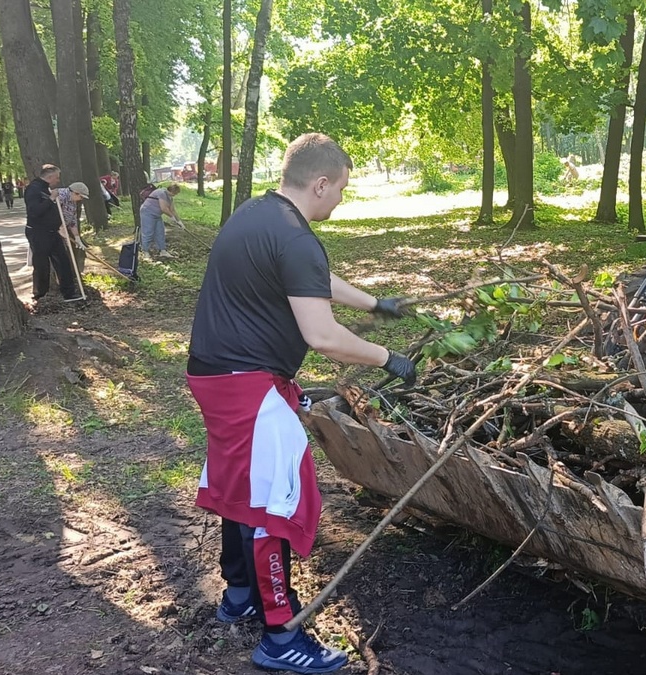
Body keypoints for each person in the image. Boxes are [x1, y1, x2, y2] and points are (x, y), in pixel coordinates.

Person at [185, 132, 416, 674]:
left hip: (214, 375)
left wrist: (374, 302)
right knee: (272, 503)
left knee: (239, 486)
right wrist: (388, 358)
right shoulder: (297, 238)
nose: (340, 199)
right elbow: (323, 336)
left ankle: (238, 594)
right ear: (320, 183)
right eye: (340, 189)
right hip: (249, 386)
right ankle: (280, 635)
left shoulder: (260, 215)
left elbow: (310, 279)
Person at [24, 164, 81, 303]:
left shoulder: (46, 188)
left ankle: (68, 292)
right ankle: (40, 295)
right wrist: (50, 199)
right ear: (50, 177)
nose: (58, 180)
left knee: (63, 261)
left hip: (52, 232)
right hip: (38, 233)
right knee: (42, 265)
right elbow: (35, 211)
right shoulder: (33, 189)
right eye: (57, 177)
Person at [139, 182, 184, 259]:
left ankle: (162, 251)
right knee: (148, 232)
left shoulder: (170, 197)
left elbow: (172, 209)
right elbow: (164, 208)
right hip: (148, 212)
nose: (175, 195)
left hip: (157, 215)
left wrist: (179, 221)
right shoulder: (161, 193)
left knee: (160, 232)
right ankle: (145, 251)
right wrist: (171, 217)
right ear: (171, 191)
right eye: (174, 193)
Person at [55, 182, 91, 273]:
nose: (81, 199)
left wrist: (77, 237)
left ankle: (74, 275)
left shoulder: (73, 201)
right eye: (81, 197)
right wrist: (59, 227)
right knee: (60, 256)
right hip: (53, 231)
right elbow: (51, 214)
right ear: (75, 193)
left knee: (72, 253)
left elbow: (73, 221)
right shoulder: (60, 196)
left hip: (64, 230)